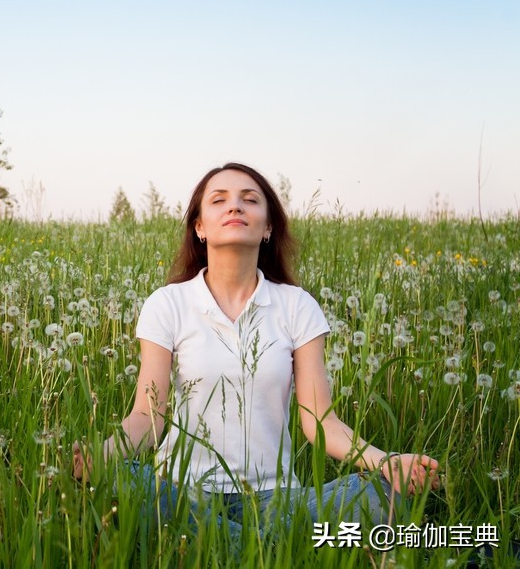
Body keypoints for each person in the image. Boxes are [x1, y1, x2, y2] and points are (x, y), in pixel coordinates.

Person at [73, 162, 440, 533]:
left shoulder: (296, 305)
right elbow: (147, 418)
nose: (235, 207)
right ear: (199, 227)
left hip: (275, 497)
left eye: (249, 200)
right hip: (182, 491)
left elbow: (320, 423)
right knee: (122, 483)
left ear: (267, 228)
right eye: (219, 200)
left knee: (381, 494)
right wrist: (99, 458)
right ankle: (266, 545)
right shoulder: (168, 303)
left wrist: (385, 463)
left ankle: (221, 543)